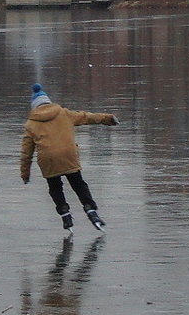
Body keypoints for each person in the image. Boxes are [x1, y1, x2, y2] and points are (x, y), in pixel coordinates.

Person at [19, 83, 118, 233]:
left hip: (49, 160)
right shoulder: (64, 113)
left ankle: (65, 215)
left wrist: (25, 174)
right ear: (48, 101)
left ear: (34, 106)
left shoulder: (31, 124)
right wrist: (107, 118)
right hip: (68, 155)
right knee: (78, 184)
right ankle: (91, 210)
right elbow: (86, 117)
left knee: (55, 187)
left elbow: (26, 153)